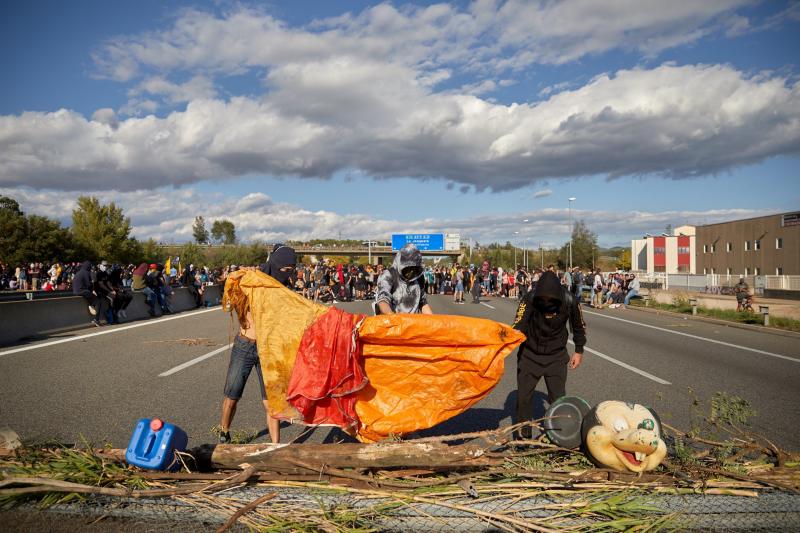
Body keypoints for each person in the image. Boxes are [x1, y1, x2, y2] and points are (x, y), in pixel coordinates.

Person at [220, 244, 296, 444]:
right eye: (285, 269)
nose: (287, 274)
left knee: (271, 401)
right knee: (232, 396)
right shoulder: (253, 278)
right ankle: (223, 433)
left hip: (269, 350)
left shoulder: (283, 289)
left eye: (291, 270)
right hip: (245, 345)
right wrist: (239, 275)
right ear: (276, 263)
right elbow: (231, 286)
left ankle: (275, 445)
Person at [512, 270, 586, 438]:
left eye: (549, 299)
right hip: (529, 354)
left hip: (556, 356)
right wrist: (510, 339)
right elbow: (519, 323)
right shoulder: (530, 298)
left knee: (558, 399)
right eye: (543, 298)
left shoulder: (570, 300)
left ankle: (558, 437)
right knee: (523, 398)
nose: (546, 301)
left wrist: (579, 350)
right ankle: (523, 437)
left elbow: (579, 327)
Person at [375, 243, 433, 315]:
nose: (411, 272)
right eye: (408, 268)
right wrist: (392, 315)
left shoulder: (419, 277)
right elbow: (383, 300)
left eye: (414, 268)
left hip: (414, 322)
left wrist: (434, 321)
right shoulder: (388, 274)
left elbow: (423, 303)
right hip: (393, 322)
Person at [72, 261, 100, 326]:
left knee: (90, 296)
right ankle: (96, 320)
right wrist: (93, 289)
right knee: (98, 301)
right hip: (82, 291)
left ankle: (90, 305)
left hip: (75, 291)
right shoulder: (86, 273)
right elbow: (88, 284)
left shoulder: (79, 272)